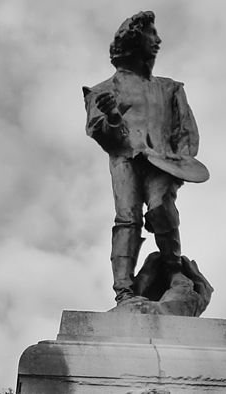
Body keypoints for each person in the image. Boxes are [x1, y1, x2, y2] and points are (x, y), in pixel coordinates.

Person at [83, 11, 206, 305]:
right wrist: (113, 116)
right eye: (152, 35)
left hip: (164, 160)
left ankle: (174, 269)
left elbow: (186, 131)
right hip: (125, 160)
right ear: (134, 41)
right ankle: (124, 290)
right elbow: (99, 132)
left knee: (161, 207)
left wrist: (180, 163)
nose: (158, 40)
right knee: (127, 219)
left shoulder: (170, 88)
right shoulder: (101, 90)